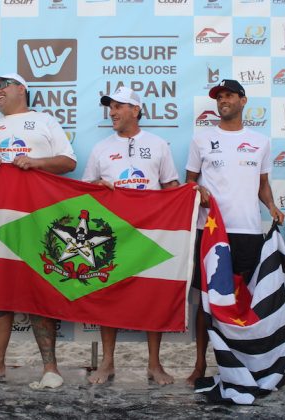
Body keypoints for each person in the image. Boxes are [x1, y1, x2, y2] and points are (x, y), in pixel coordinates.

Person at [0, 73, 77, 388]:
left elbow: (69, 162)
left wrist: (37, 163)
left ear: (21, 89)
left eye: (3, 86)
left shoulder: (44, 121)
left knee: (38, 285)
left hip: (36, 217)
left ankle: (51, 368)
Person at [184, 79, 284, 386]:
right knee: (205, 301)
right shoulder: (202, 139)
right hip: (211, 231)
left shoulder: (260, 141)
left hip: (248, 231)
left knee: (242, 300)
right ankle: (200, 364)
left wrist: (272, 206)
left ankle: (242, 364)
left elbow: (262, 184)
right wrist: (197, 189)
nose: (223, 100)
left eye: (229, 96)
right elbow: (189, 183)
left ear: (243, 100)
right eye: (219, 97)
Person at [82, 86, 180, 385]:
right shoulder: (100, 148)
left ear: (135, 110)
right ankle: (108, 364)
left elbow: (171, 185)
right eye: (109, 107)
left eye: (118, 106)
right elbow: (85, 190)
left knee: (154, 295)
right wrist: (99, 184)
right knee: (107, 295)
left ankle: (154, 364)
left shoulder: (159, 144)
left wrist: (189, 195)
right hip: (111, 235)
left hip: (150, 236)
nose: (112, 112)